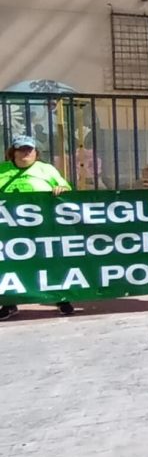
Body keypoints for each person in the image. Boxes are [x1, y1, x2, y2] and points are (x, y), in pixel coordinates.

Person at [0, 136, 75, 320]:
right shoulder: (3, 170)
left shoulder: (45, 169)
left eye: (29, 150)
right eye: (21, 149)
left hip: (43, 228)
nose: (25, 153)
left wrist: (61, 189)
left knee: (50, 261)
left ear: (35, 153)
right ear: (13, 152)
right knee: (11, 264)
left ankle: (61, 298)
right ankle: (10, 303)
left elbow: (65, 187)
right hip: (11, 231)